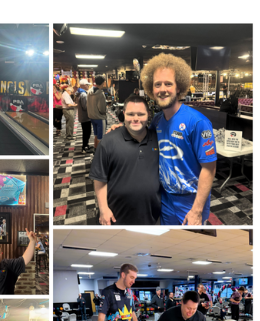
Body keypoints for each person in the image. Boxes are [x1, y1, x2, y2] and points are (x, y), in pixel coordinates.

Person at [143, 53, 216, 225]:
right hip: (165, 197)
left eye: (168, 83)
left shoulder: (198, 122)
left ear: (178, 87)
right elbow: (143, 140)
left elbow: (210, 168)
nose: (162, 89)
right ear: (151, 89)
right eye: (157, 84)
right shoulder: (157, 120)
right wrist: (122, 130)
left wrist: (197, 211)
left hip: (191, 201)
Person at [91, 94, 160, 225]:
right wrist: (103, 209)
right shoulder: (108, 141)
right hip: (116, 216)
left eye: (140, 114)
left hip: (151, 216)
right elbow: (99, 178)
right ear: (123, 114)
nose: (135, 119)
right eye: (130, 114)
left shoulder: (158, 139)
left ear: (149, 115)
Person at [87, 76, 110, 148]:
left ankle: (95, 150)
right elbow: (102, 109)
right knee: (101, 137)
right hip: (100, 118)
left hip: (92, 116)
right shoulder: (100, 94)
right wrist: (105, 109)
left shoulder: (89, 91)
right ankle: (99, 154)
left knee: (96, 135)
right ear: (103, 83)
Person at [76, 80, 92, 151]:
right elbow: (85, 107)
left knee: (85, 132)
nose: (88, 86)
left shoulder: (79, 93)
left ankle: (86, 145)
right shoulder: (83, 94)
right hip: (85, 117)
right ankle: (85, 147)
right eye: (87, 85)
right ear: (83, 85)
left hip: (82, 116)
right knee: (87, 132)